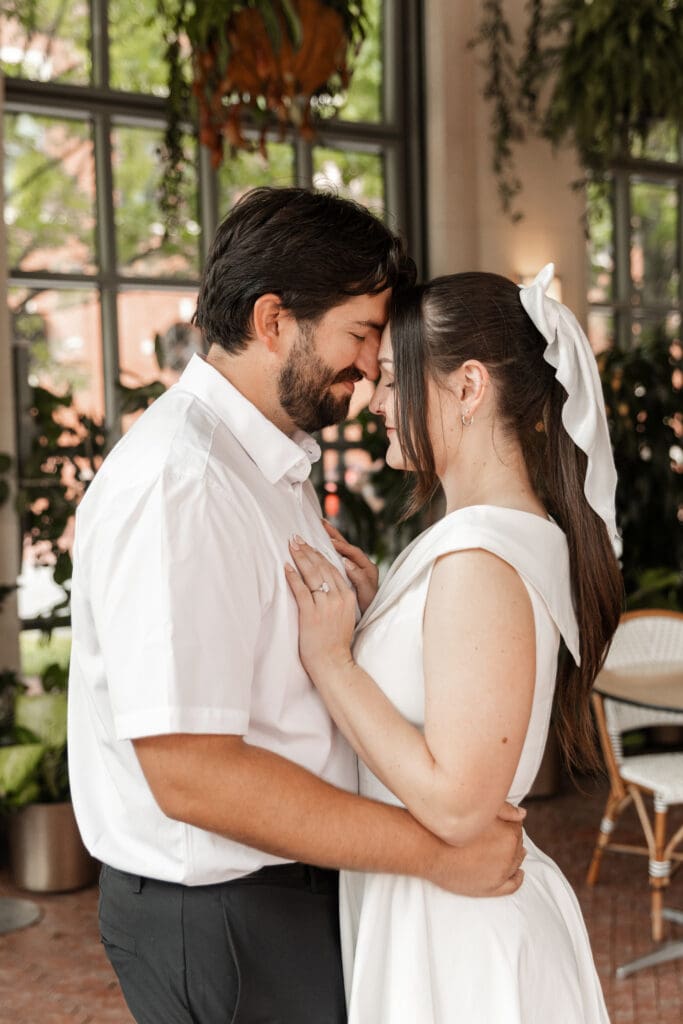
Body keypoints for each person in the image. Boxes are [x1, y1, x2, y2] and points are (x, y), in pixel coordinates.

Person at [67, 187, 527, 1024]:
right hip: (225, 915)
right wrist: (435, 855)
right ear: (274, 319)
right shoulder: (184, 484)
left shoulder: (267, 462)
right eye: (359, 335)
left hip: (285, 890)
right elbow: (192, 774)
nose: (368, 369)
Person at [286, 264, 623, 1023]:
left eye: (393, 378)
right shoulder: (480, 544)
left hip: (459, 935)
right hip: (435, 913)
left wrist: (332, 659)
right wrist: (381, 621)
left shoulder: (480, 558)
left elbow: (461, 809)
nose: (374, 400)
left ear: (468, 387)